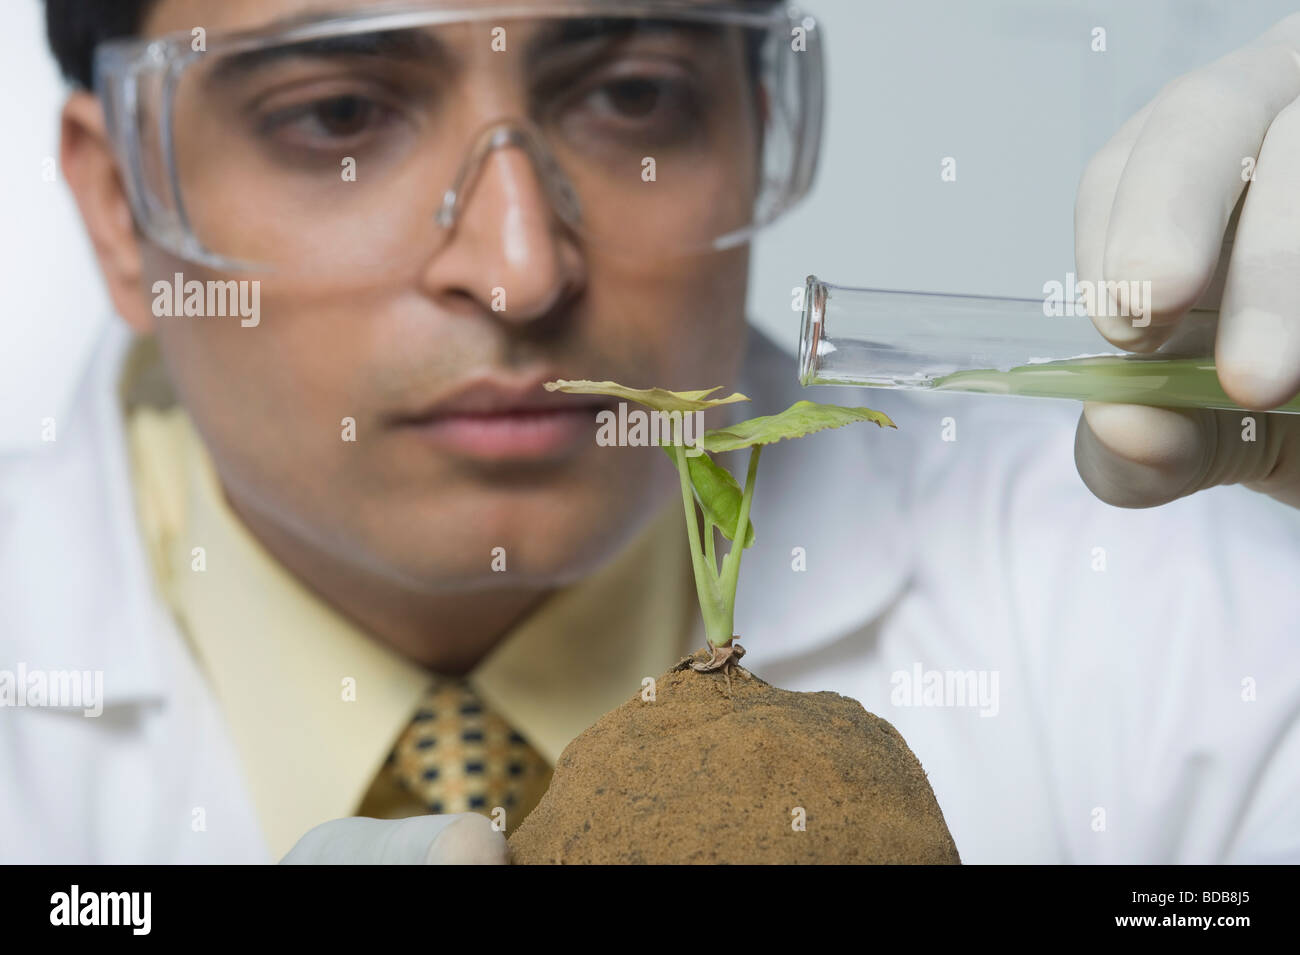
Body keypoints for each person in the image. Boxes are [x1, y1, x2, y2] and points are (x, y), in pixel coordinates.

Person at [2, 0, 1298, 865]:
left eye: (631, 95)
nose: (519, 269)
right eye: (340, 119)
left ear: (751, 124)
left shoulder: (1161, 601)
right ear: (123, 209)